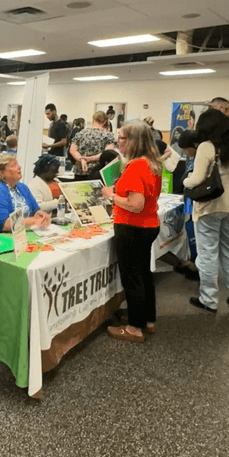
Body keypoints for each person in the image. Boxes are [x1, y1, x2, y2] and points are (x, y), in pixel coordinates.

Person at [101, 120, 163, 342]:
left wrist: (111, 195)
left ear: (133, 140)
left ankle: (134, 328)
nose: (117, 142)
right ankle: (148, 319)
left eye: (121, 138)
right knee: (144, 275)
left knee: (132, 278)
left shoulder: (136, 166)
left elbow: (135, 203)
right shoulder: (151, 163)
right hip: (148, 225)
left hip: (132, 227)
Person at [183, 108, 229, 313]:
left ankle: (208, 299)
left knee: (207, 254)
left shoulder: (206, 146)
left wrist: (185, 181)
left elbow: (197, 179)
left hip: (210, 206)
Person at [0, 154, 50, 237]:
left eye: (17, 164)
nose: (19, 167)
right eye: (13, 165)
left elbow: (35, 209)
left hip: (15, 236)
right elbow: (6, 224)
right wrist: (34, 221)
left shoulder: (22, 187)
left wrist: (41, 215)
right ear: (1, 173)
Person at [70, 111, 116, 180]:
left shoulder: (81, 133)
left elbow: (72, 150)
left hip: (80, 172)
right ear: (105, 122)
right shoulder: (108, 136)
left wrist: (82, 159)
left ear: (93, 120)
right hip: (97, 173)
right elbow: (108, 153)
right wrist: (90, 159)